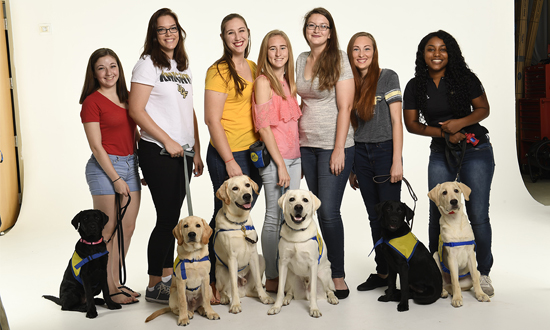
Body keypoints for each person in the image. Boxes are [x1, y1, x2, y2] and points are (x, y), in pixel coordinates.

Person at [402, 30, 495, 297]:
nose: (437, 54)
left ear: (450, 52)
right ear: (423, 54)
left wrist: (458, 124)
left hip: (475, 149)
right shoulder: (415, 85)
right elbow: (411, 124)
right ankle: (439, 270)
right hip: (441, 150)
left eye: (443, 49)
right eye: (431, 49)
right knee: (437, 210)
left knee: (477, 213)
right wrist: (444, 132)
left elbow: (483, 109)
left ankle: (483, 272)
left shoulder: (465, 78)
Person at [128, 8, 204, 304]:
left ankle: (168, 277)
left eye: (173, 28)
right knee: (166, 219)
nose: (169, 33)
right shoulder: (147, 64)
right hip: (158, 151)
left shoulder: (181, 65)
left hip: (182, 152)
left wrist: (195, 147)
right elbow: (136, 110)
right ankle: (153, 283)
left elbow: (189, 110)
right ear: (154, 34)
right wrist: (167, 140)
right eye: (162, 29)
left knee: (173, 218)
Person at [296, 7, 355, 299]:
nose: (317, 30)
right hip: (306, 145)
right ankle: (320, 263)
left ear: (330, 32)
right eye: (312, 25)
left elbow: (345, 107)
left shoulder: (340, 58)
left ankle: (338, 274)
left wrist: (338, 149)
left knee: (329, 212)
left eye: (323, 26)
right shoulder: (301, 59)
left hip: (334, 145)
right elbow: (297, 103)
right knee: (316, 209)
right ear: (305, 30)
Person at [204, 13, 262, 303]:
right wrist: (228, 160)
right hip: (227, 152)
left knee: (243, 214)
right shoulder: (218, 71)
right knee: (223, 215)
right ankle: (214, 283)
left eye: (242, 31)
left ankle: (241, 273)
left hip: (253, 152)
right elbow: (212, 120)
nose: (237, 37)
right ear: (223, 38)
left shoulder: (253, 66)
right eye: (230, 32)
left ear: (249, 33)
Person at [80, 48, 140, 305]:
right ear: (94, 73)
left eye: (113, 66)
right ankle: (108, 289)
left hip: (131, 164)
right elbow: (96, 146)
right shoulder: (91, 102)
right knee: (109, 230)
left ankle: (115, 283)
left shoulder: (128, 97)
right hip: (105, 168)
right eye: (102, 68)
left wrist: (142, 168)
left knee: (127, 227)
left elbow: (134, 134)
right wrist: (116, 178)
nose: (109, 72)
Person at [346, 32, 404, 292]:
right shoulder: (348, 81)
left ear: (374, 51)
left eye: (367, 49)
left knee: (393, 216)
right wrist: (353, 167)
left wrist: (396, 161)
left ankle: (399, 272)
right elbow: (349, 124)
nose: (361, 54)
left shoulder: (387, 76)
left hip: (384, 152)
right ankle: (383, 272)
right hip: (360, 154)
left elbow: (396, 122)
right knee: (374, 216)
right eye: (356, 49)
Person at [253, 30, 302, 293]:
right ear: (265, 53)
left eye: (283, 48)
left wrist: (296, 162)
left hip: (294, 158)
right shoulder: (264, 82)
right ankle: (271, 276)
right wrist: (281, 164)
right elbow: (263, 127)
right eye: (272, 48)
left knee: (289, 215)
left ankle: (286, 270)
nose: (278, 53)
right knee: (273, 216)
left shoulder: (288, 82)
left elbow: (292, 127)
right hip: (276, 161)